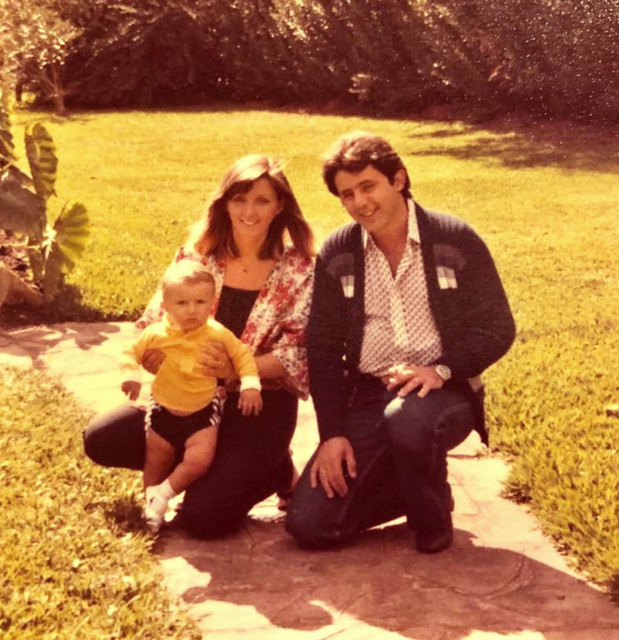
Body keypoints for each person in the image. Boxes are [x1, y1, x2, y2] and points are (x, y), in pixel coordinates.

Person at [285, 131, 516, 553]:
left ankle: (431, 517)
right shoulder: (340, 252)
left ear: (398, 179)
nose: (360, 202)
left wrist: (441, 369)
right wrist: (332, 434)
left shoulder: (453, 239)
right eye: (347, 194)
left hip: (442, 392)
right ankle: (410, 483)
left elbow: (497, 327)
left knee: (408, 421)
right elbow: (322, 348)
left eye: (368, 186)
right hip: (369, 395)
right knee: (309, 524)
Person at [84, 154, 315, 537]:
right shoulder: (197, 255)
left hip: (257, 402)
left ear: (280, 206)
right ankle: (234, 463)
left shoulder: (301, 268)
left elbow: (299, 353)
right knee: (102, 438)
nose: (249, 212)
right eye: (239, 199)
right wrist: (155, 355)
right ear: (225, 203)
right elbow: (155, 320)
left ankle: (270, 466)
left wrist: (234, 369)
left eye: (262, 200)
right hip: (186, 396)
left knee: (205, 519)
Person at [120, 260, 262, 532]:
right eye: (182, 303)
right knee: (156, 460)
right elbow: (130, 352)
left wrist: (250, 385)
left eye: (200, 302)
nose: (192, 310)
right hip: (163, 409)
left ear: (212, 303)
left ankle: (163, 493)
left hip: (202, 411)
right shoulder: (156, 333)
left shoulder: (217, 333)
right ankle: (151, 507)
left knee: (199, 461)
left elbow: (242, 355)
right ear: (166, 305)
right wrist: (132, 374)